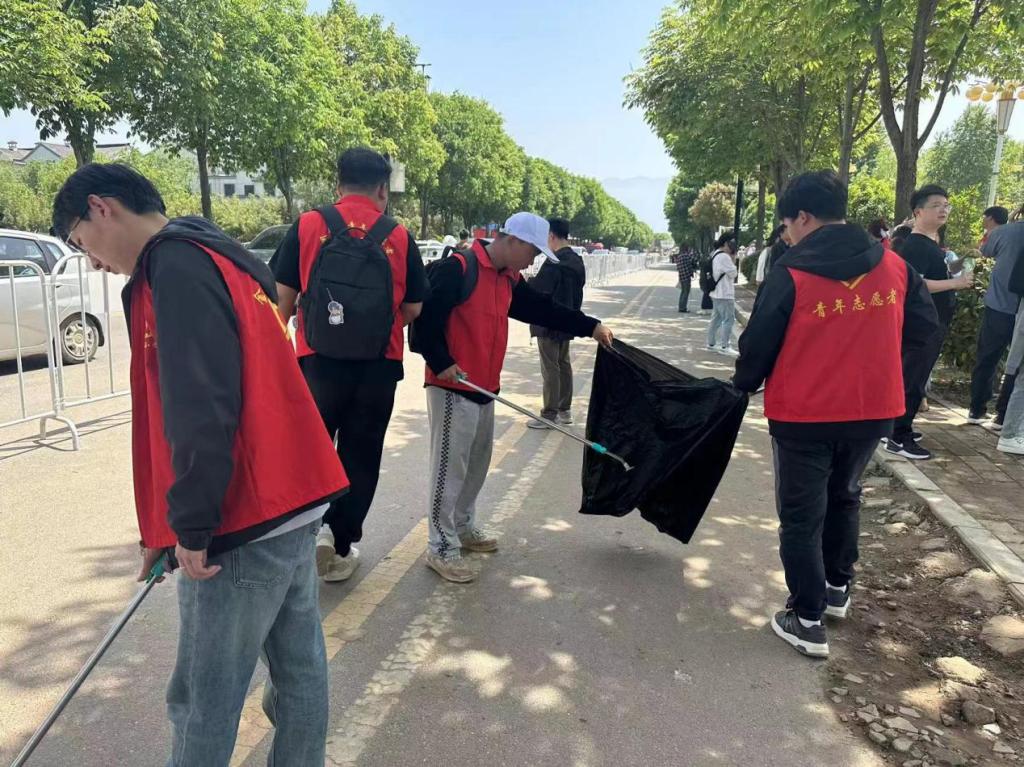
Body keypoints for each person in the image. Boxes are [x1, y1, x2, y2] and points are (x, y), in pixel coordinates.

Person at [53, 163, 348, 765]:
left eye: (83, 242)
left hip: (245, 511)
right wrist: (162, 530)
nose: (94, 263)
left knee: (203, 698)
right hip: (291, 498)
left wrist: (190, 524)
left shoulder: (176, 266)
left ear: (101, 207)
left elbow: (200, 404)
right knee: (298, 672)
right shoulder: (220, 253)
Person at [733, 170, 937, 658]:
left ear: (803, 217)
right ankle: (837, 589)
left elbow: (758, 344)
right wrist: (883, 367)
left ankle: (806, 618)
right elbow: (925, 330)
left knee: (801, 516)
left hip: (804, 415)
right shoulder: (895, 267)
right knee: (845, 495)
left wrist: (741, 385)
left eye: (788, 225)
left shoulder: (791, 273)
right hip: (871, 411)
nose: (787, 235)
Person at [413, 212, 614, 583]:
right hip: (453, 386)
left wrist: (591, 326)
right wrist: (441, 362)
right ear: (514, 241)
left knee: (476, 464)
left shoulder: (509, 278)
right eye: (532, 251)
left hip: (485, 387)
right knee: (449, 470)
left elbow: (542, 309)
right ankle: (440, 546)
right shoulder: (459, 269)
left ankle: (463, 525)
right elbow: (424, 324)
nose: (533, 260)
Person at [270, 147, 428, 583]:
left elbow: (281, 301)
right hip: (378, 365)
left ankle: (305, 536)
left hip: (317, 361)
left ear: (337, 184)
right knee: (361, 454)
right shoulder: (398, 235)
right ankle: (339, 544)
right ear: (383, 189)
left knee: (311, 450)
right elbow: (414, 306)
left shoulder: (308, 225)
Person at [885, 185, 972, 459]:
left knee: (914, 377)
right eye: (936, 205)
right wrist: (955, 283)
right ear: (918, 212)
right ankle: (897, 436)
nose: (943, 210)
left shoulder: (931, 244)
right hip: (921, 324)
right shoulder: (915, 245)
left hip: (932, 321)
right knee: (912, 379)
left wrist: (959, 269)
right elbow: (916, 283)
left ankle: (897, 427)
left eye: (946, 205)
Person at [527, 216, 587, 428]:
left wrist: (528, 282)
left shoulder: (554, 262)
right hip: (567, 320)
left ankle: (549, 414)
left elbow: (539, 291)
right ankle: (564, 410)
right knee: (563, 363)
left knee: (550, 367)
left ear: (551, 235)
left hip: (547, 322)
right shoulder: (577, 261)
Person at [968, 219, 1024, 426]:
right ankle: (1004, 415)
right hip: (1018, 308)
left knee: (987, 358)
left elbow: (984, 251)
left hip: (999, 306)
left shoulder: (1004, 231)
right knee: (1017, 364)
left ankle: (976, 410)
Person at [706, 232, 738, 355]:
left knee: (716, 319)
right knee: (728, 320)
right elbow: (733, 273)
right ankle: (725, 346)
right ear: (726, 243)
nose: (733, 246)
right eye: (731, 243)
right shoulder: (724, 257)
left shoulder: (715, 254)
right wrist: (733, 259)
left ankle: (711, 343)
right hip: (724, 293)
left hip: (716, 293)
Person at [672, 245, 698, 312]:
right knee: (686, 293)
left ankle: (681, 307)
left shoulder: (679, 257)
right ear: (686, 249)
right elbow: (692, 262)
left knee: (683, 292)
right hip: (686, 276)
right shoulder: (686, 256)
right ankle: (683, 308)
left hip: (681, 276)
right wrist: (692, 272)